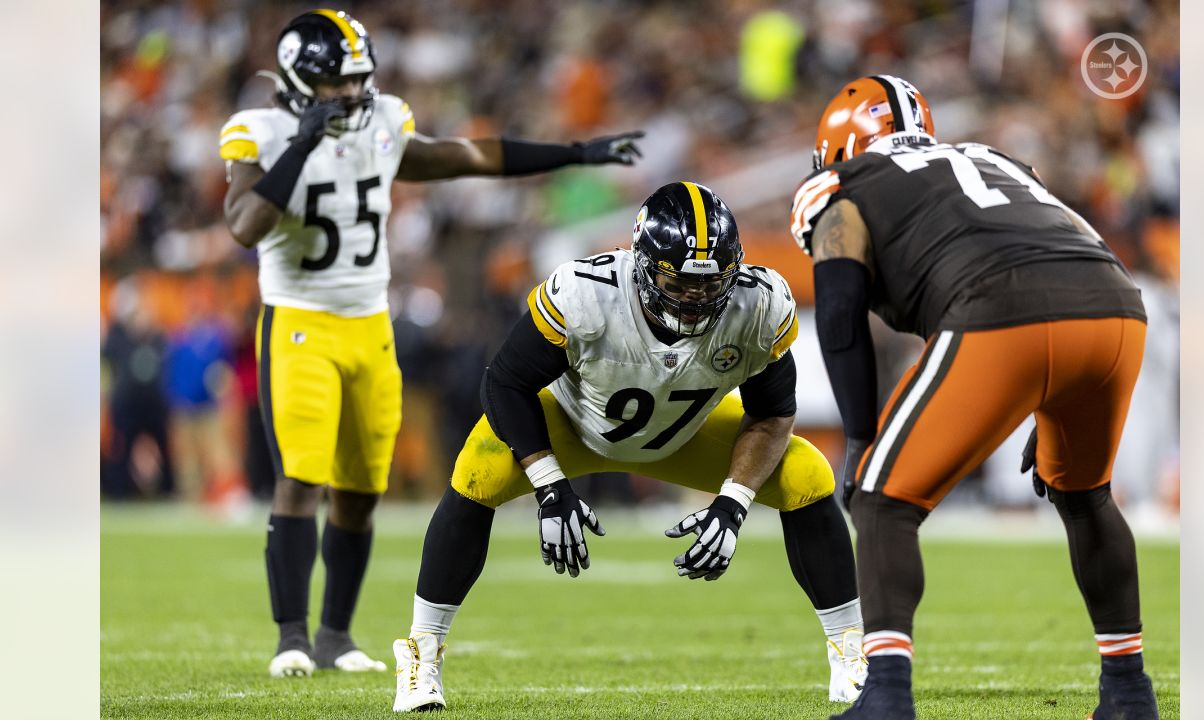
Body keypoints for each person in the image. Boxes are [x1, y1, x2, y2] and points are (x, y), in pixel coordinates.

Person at [219, 9, 644, 679]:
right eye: (338, 83)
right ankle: (291, 638)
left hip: (370, 324)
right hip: (299, 321)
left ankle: (336, 636)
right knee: (301, 477)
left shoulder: (384, 121)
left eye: (360, 80)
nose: (354, 95)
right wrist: (301, 146)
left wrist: (574, 153)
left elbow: (469, 157)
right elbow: (244, 226)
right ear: (302, 84)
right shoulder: (262, 133)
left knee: (360, 489)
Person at [392, 182, 867, 712]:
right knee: (477, 471)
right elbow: (503, 383)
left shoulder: (760, 305)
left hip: (682, 434)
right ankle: (421, 652)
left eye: (710, 287)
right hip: (572, 424)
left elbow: (773, 414)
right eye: (678, 282)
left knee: (807, 475)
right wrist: (549, 486)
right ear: (641, 264)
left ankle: (850, 653)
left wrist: (734, 502)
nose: (695, 299)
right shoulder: (585, 291)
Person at [789, 75, 1159, 720]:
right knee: (1085, 495)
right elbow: (1063, 237)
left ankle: (886, 698)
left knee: (881, 499)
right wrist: (1049, 396)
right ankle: (1129, 693)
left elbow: (841, 309)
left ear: (839, 147)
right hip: (1116, 307)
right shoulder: (997, 160)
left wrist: (857, 436)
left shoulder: (844, 189)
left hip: (1002, 308)